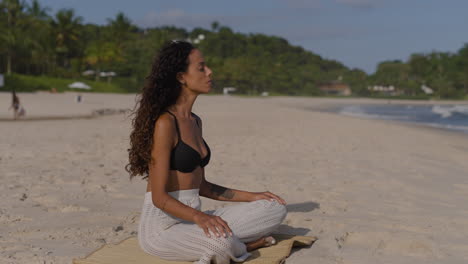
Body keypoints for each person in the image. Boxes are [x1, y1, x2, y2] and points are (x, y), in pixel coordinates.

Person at [125, 40, 287, 264]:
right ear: (181, 77)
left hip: (192, 221)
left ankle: (232, 243)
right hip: (163, 228)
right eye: (201, 68)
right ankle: (244, 245)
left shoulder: (195, 122)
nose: (210, 72)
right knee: (219, 244)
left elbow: (202, 186)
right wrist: (200, 217)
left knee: (274, 208)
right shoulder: (165, 123)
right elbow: (159, 198)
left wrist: (253, 196)